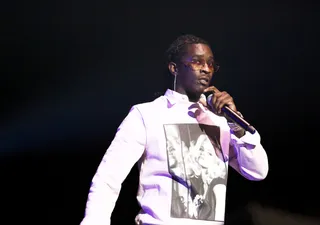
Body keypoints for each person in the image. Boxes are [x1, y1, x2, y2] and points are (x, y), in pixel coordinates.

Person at [79, 34, 269, 225]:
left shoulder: (221, 120)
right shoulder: (147, 114)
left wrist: (237, 125)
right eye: (197, 62)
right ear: (174, 68)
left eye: (211, 64)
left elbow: (257, 171)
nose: (205, 69)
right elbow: (108, 177)